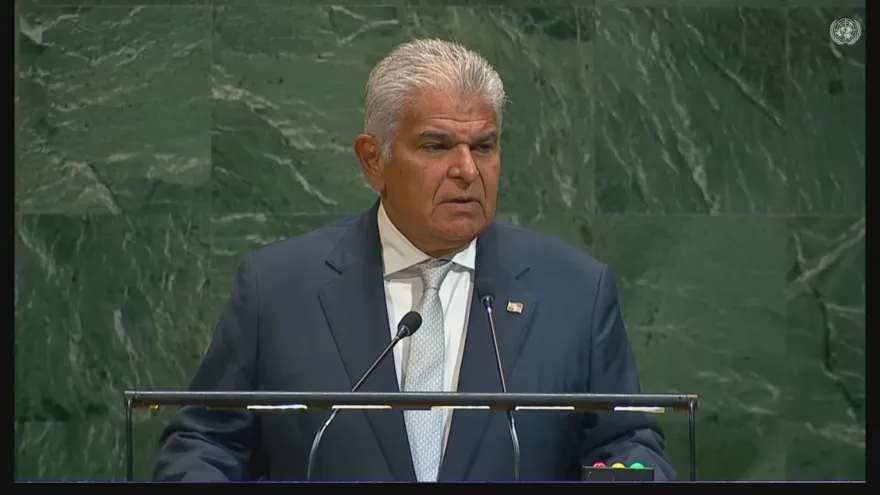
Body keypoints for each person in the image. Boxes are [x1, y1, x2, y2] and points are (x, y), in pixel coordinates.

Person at [153, 38, 675, 482]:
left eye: (484, 146)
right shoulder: (280, 289)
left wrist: (628, 473)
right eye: (436, 146)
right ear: (373, 159)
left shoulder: (575, 292)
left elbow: (627, 443)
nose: (467, 170)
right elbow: (206, 445)